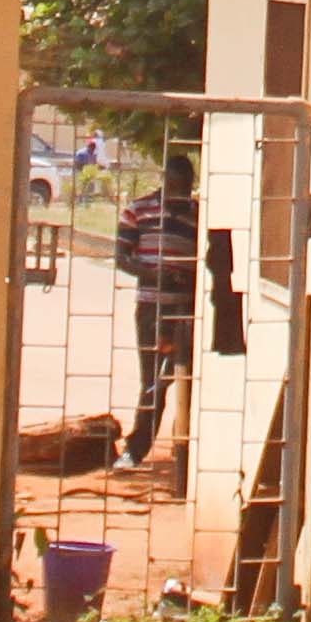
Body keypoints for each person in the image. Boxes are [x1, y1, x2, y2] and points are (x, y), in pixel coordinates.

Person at [117, 147, 201, 468]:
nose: (181, 192)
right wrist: (154, 275)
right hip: (153, 308)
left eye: (186, 186)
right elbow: (122, 257)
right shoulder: (139, 210)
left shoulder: (198, 212)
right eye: (176, 185)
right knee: (153, 380)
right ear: (165, 180)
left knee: (187, 380)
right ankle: (135, 450)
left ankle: (186, 454)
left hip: (189, 308)